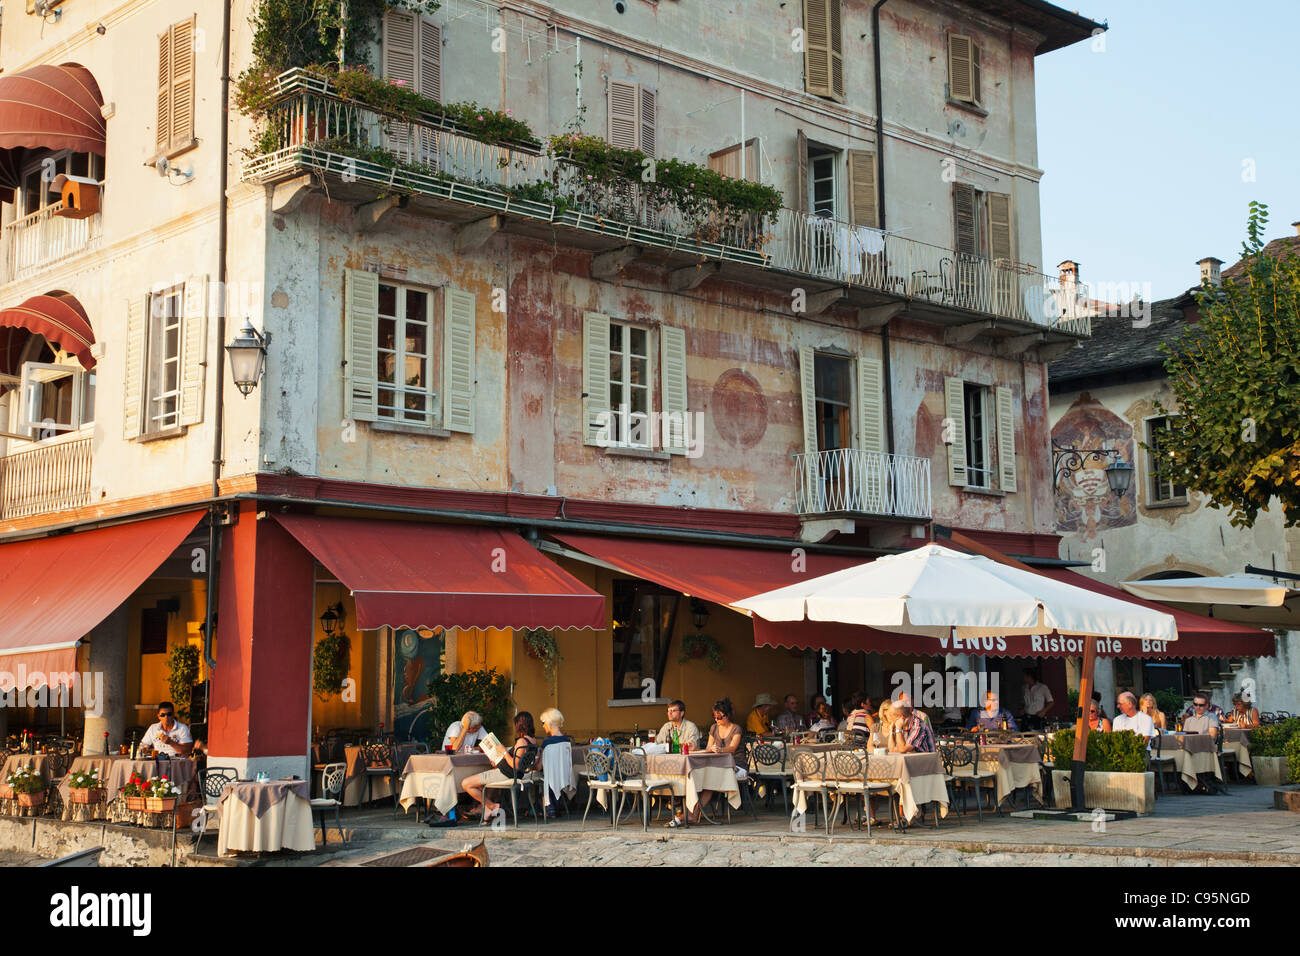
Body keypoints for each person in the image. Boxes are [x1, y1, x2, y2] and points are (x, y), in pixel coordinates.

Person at [462, 712, 538, 824]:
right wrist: (499, 760)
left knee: (466, 783)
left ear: (519, 725)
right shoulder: (533, 741)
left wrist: (503, 752)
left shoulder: (522, 741)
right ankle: (487, 811)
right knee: (480, 786)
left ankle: (493, 806)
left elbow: (515, 765)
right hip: (509, 772)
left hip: (506, 773)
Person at [688, 698, 744, 824]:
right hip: (718, 765)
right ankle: (692, 813)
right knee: (699, 777)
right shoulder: (714, 728)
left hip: (737, 764)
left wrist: (720, 749)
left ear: (728, 715)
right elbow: (708, 748)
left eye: (720, 717)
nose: (717, 720)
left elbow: (733, 749)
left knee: (710, 780)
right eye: (715, 717)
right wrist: (696, 749)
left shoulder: (736, 729)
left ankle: (694, 813)